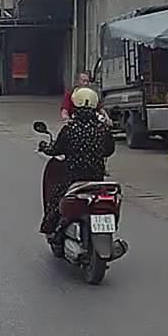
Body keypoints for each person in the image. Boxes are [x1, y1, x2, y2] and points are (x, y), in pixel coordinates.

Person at [40, 87, 116, 234]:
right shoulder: (102, 129)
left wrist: (44, 147)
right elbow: (109, 150)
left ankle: (52, 232)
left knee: (55, 201)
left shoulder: (70, 129)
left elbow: (55, 150)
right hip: (96, 179)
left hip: (73, 180)